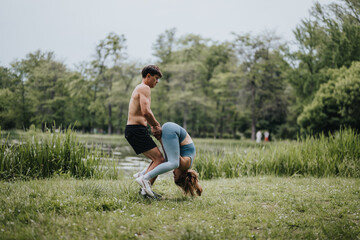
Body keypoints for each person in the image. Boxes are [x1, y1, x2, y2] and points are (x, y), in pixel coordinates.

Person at [136, 122, 203, 197]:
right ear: (182, 175)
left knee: (166, 161)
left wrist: (160, 138)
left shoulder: (185, 164)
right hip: (172, 130)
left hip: (170, 129)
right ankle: (145, 178)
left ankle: (143, 174)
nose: (173, 173)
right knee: (173, 163)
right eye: (175, 176)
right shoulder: (185, 165)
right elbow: (172, 154)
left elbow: (168, 153)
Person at [125, 65, 165, 189]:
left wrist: (152, 126)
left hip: (137, 130)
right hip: (136, 130)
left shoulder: (141, 88)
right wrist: (156, 125)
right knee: (159, 160)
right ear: (148, 76)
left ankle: (144, 184)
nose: (157, 82)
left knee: (156, 159)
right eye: (156, 78)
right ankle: (145, 186)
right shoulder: (144, 88)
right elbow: (146, 111)